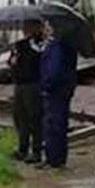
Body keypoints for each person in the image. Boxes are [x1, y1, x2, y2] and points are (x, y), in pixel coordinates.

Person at [39, 20, 78, 169]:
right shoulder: (68, 46)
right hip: (64, 89)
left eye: (48, 26)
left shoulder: (57, 47)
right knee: (59, 124)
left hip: (55, 91)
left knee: (53, 125)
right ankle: (58, 158)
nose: (46, 29)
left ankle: (53, 159)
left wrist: (46, 85)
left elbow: (53, 70)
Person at [8, 20, 45, 164]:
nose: (25, 29)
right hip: (20, 83)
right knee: (20, 117)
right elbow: (12, 60)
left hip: (33, 84)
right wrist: (13, 61)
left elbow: (38, 58)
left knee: (35, 118)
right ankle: (22, 149)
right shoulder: (20, 44)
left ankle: (36, 151)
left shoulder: (40, 44)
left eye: (29, 26)